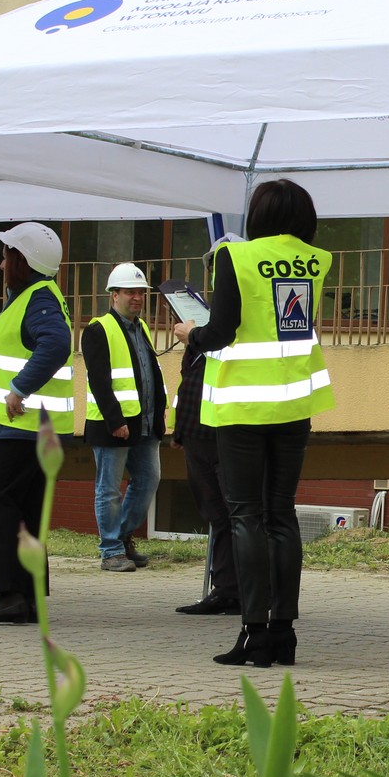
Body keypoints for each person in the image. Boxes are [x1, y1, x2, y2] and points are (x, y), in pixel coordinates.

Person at [174, 180, 332, 667]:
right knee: (281, 514)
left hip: (243, 405)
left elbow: (221, 332)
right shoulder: (316, 260)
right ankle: (284, 633)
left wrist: (190, 332)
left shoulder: (234, 257)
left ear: (258, 215)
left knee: (245, 516)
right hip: (294, 403)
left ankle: (254, 633)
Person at [0, 222, 73, 625]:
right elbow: (23, 346)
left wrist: (19, 389)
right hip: (34, 427)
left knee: (1, 502)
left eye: (6, 255)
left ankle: (11, 595)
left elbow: (55, 345)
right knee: (26, 509)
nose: (0, 263)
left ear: (22, 261)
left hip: (25, 425)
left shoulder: (38, 299)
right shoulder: (30, 296)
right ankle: (27, 597)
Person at [81, 263, 167, 573]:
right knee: (109, 490)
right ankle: (111, 551)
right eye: (130, 292)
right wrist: (115, 421)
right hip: (113, 425)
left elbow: (150, 375)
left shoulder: (140, 328)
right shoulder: (98, 330)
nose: (137, 298)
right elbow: (100, 381)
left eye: (141, 293)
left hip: (145, 424)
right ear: (114, 295)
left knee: (148, 480)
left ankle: (121, 538)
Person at [173, 236, 242, 616]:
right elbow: (191, 378)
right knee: (217, 514)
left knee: (235, 514)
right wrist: (179, 430)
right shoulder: (210, 317)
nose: (217, 275)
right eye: (214, 268)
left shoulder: (243, 317)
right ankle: (227, 589)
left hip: (226, 431)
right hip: (198, 431)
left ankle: (240, 591)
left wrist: (194, 336)